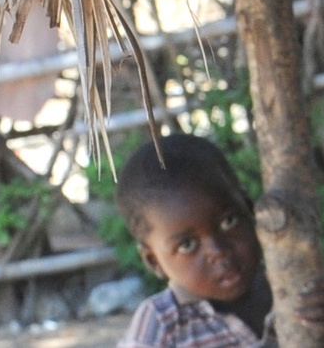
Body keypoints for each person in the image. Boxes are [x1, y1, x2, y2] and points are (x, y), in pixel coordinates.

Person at [113, 136, 272, 348]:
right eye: (187, 245)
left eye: (229, 222)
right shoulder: (162, 323)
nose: (218, 251)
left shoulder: (289, 286)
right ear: (154, 261)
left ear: (250, 210)